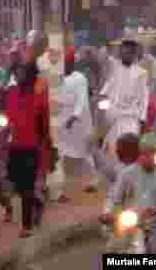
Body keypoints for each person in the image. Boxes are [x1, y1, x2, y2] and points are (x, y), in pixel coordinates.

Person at [102, 133, 156, 254]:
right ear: (139, 154)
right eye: (144, 153)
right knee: (112, 248)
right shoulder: (127, 173)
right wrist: (107, 212)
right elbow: (113, 197)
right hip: (132, 222)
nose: (147, 157)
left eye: (152, 153)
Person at [3, 61, 49, 238]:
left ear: (31, 75)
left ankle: (26, 225)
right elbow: (6, 117)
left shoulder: (39, 95)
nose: (17, 75)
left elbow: (44, 124)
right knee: (18, 186)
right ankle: (37, 203)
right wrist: (3, 128)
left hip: (32, 147)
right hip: (13, 146)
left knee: (28, 186)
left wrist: (45, 148)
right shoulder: (11, 93)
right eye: (16, 72)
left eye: (21, 72)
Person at [99, 39, 150, 177]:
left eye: (128, 53)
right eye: (122, 52)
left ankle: (129, 179)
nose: (125, 55)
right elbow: (104, 93)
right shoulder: (114, 70)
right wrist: (105, 110)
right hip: (114, 116)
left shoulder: (141, 73)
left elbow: (144, 97)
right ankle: (117, 180)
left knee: (129, 150)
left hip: (131, 117)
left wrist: (142, 118)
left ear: (134, 54)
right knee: (113, 151)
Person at [55, 46, 96, 197]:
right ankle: (58, 190)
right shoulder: (57, 77)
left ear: (71, 64)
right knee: (57, 152)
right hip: (62, 120)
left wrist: (74, 116)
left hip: (79, 122)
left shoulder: (80, 78)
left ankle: (93, 180)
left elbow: (82, 99)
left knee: (85, 152)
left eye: (66, 63)